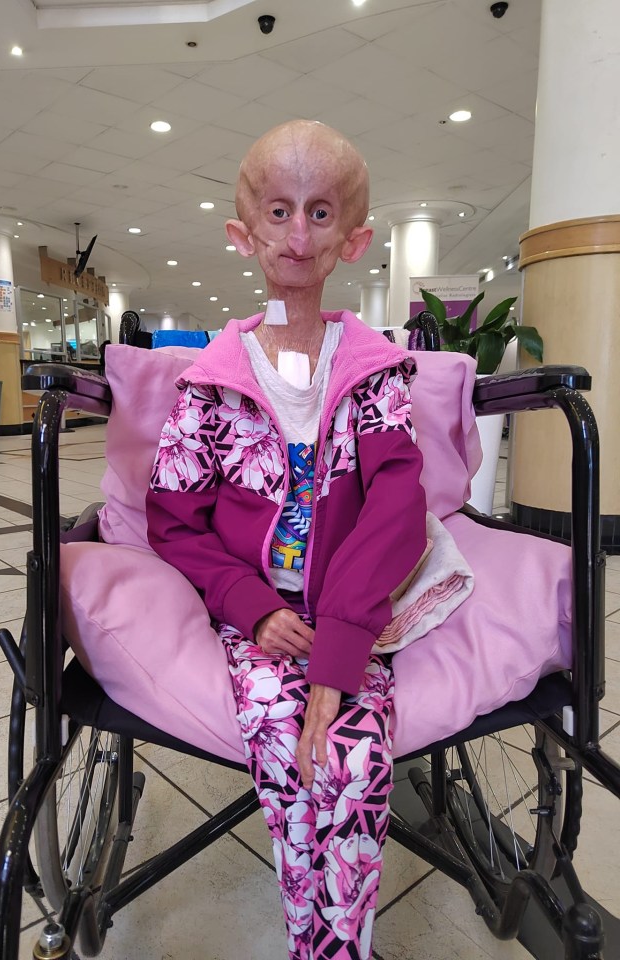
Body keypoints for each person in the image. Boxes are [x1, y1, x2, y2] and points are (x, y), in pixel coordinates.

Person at [146, 120, 427, 960]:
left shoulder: (376, 371)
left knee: (355, 758)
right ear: (245, 233)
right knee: (285, 747)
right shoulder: (209, 385)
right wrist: (250, 606)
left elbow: (397, 508)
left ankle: (330, 949)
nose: (298, 234)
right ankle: (325, 945)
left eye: (319, 212)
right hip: (256, 617)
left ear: (355, 238)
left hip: (354, 611)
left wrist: (341, 655)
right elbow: (173, 517)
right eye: (278, 211)